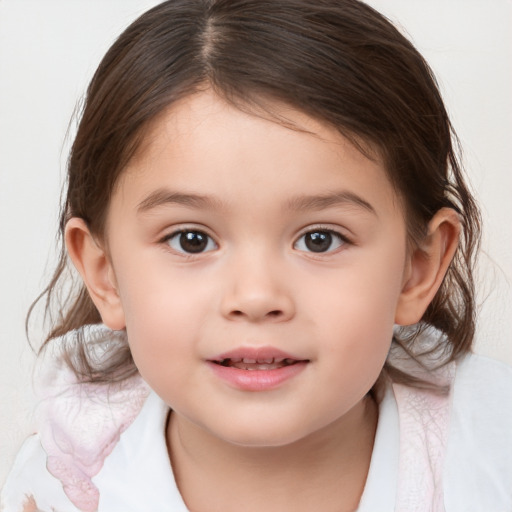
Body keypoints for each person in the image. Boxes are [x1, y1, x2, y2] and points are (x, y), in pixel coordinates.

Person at [1, 0, 511, 510]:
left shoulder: (491, 457)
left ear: (416, 269)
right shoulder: (59, 484)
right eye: (191, 240)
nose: (256, 297)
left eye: (320, 239)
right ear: (104, 273)